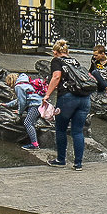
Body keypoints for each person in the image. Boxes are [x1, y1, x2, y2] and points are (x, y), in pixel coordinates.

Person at [42, 39, 89, 171]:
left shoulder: (57, 60)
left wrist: (47, 95)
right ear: (67, 51)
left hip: (68, 98)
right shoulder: (75, 61)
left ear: (55, 52)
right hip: (84, 98)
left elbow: (56, 77)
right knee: (78, 131)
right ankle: (78, 164)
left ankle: (61, 160)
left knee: (61, 129)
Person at [3, 73, 41, 150]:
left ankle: (34, 144)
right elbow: (20, 99)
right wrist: (8, 105)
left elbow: (22, 102)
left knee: (27, 123)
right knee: (31, 122)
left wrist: (19, 111)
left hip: (35, 105)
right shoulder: (25, 82)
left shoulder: (18, 86)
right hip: (39, 102)